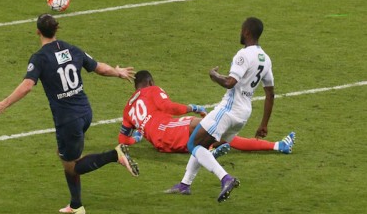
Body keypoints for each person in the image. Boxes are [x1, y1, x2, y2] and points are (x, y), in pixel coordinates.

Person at [0, 13, 139, 214]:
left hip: (68, 119)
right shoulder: (71, 49)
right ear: (56, 29)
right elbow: (99, 68)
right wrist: (117, 72)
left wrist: (3, 104)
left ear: (38, 32)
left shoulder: (40, 58)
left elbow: (27, 86)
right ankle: (76, 205)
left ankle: (115, 155)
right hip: (85, 112)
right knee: (66, 158)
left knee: (72, 165)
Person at [167, 17, 275, 202]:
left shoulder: (243, 55)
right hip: (244, 114)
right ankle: (185, 185)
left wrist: (214, 75)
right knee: (201, 145)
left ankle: (226, 178)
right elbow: (270, 93)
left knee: (193, 144)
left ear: (247, 32)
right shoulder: (266, 59)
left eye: (242, 30)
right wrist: (264, 124)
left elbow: (229, 82)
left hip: (229, 110)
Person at [118, 70, 295, 157]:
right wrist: (193, 107)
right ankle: (209, 152)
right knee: (205, 124)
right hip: (168, 130)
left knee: (221, 136)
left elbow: (123, 140)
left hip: (163, 142)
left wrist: (138, 139)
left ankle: (278, 146)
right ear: (150, 81)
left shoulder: (128, 107)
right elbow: (170, 108)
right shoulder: (152, 90)